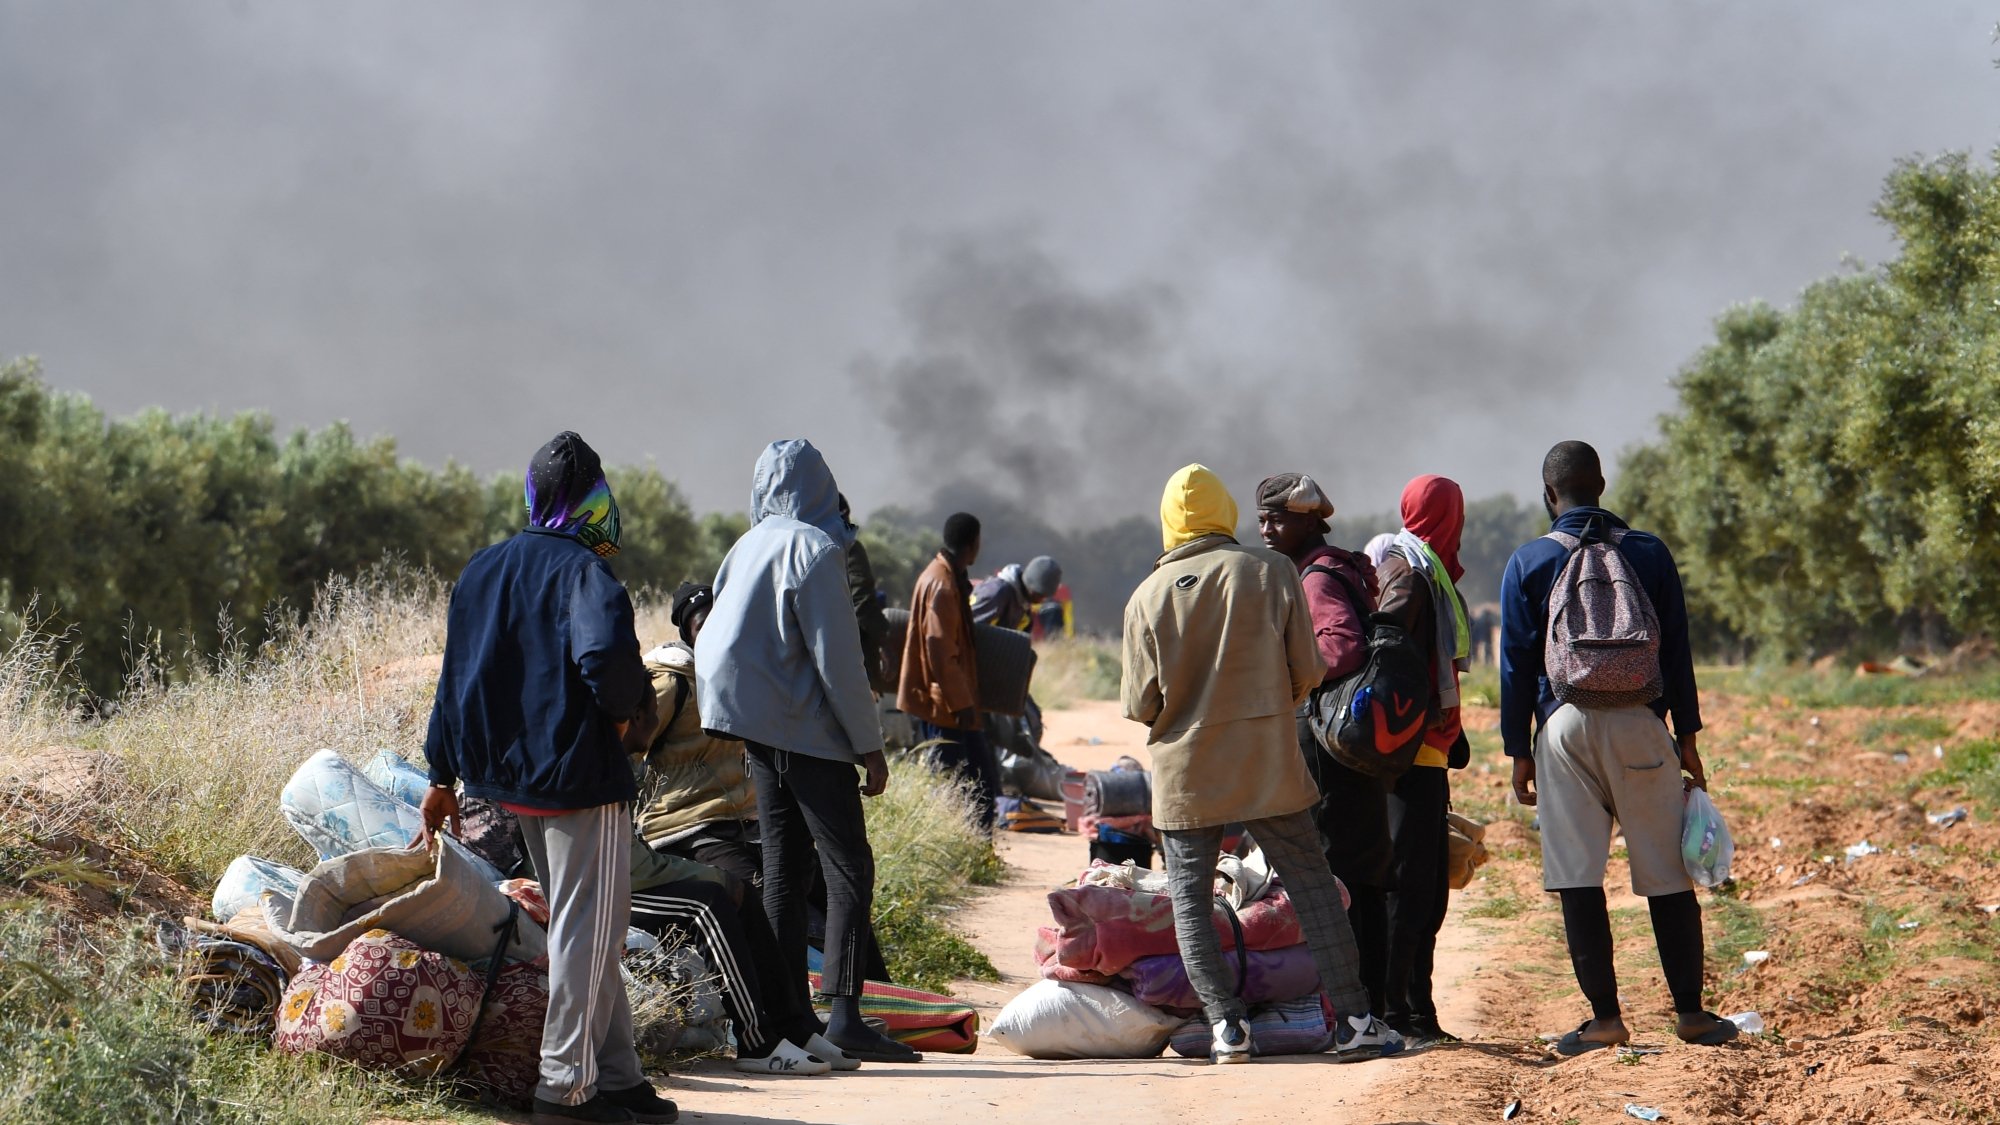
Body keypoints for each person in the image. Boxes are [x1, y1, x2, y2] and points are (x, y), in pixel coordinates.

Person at [419, 431, 679, 1125]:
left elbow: (454, 679)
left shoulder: (483, 568)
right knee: (589, 931)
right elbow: (608, 664)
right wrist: (622, 716)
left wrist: (441, 772)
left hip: (508, 782)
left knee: (587, 927)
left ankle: (618, 1076)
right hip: (578, 781)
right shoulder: (585, 572)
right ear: (590, 498)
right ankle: (564, 1091)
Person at [1122, 464, 1404, 1065]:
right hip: (1267, 759)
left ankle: (1227, 1029)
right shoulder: (1272, 571)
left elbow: (1139, 704)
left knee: (1190, 901)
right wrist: (1269, 708)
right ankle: (1355, 1022)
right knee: (1312, 888)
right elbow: (1310, 669)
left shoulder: (1146, 595)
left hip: (1186, 771)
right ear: (1225, 512)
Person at [1499, 440, 1735, 1055]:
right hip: (1641, 725)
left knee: (1578, 877)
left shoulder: (1529, 560)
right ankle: (1692, 1016)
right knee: (1667, 874)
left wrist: (1518, 750)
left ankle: (1605, 1021)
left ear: (1549, 494)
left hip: (1563, 729)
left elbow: (1516, 665)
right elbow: (1677, 650)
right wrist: (1687, 737)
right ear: (1602, 485)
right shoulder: (1649, 553)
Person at [694, 438, 919, 1065]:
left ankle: (790, 1018)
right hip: (808, 734)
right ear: (820, 487)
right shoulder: (816, 549)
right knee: (848, 867)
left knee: (784, 874)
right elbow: (839, 664)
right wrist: (870, 748)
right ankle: (844, 1017)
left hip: (758, 734)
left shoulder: (745, 546)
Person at [1254, 472, 1394, 1022]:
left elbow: (1341, 646)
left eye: (1278, 519)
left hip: (1329, 753)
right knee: (1361, 875)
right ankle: (1371, 1006)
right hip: (1350, 746)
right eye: (1262, 519)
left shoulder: (1315, 578)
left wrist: (1286, 675)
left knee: (1341, 879)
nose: (1267, 529)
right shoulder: (1335, 568)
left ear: (1311, 521)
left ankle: (1355, 1009)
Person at [1374, 475, 1472, 1046]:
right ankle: (1399, 1015)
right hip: (1409, 756)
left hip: (1426, 751)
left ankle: (1418, 1009)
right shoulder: (1410, 574)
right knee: (1409, 890)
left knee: (1427, 891)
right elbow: (1395, 660)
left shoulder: (1422, 571)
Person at [896, 512, 998, 832]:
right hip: (948, 707)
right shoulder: (942, 584)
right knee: (970, 787)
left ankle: (971, 846)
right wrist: (962, 703)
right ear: (973, 544)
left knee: (964, 784)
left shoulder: (946, 576)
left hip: (947, 702)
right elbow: (939, 651)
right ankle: (969, 847)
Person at [839, 494, 898, 695]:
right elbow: (862, 602)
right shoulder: (848, 548)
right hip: (851, 664)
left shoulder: (797, 548)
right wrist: (885, 643)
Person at [970, 556, 1063, 632]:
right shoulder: (996, 593)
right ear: (1031, 588)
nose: (1042, 600)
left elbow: (1018, 642)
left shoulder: (1023, 606)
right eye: (1041, 595)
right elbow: (968, 627)